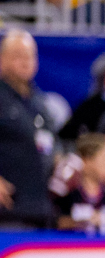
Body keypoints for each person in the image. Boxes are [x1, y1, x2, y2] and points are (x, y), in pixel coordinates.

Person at [0, 29, 57, 229]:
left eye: (30, 56)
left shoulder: (40, 101)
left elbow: (52, 142)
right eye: (18, 56)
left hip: (42, 210)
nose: (25, 62)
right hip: (8, 212)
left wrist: (61, 161)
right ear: (2, 60)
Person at [54, 132, 105, 234]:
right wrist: (78, 223)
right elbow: (56, 223)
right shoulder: (68, 196)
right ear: (86, 161)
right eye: (103, 159)